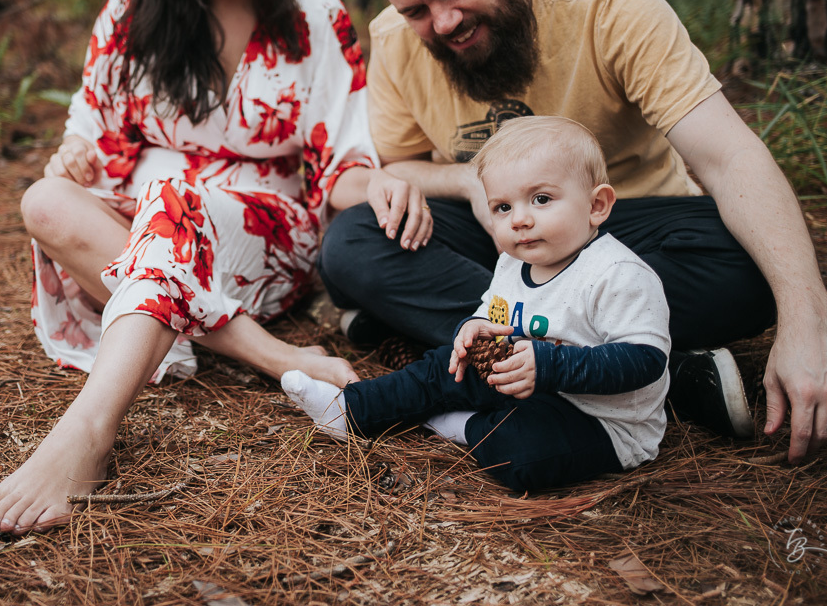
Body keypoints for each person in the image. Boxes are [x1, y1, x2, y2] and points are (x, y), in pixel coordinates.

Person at [0, 0, 428, 535]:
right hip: (151, 219)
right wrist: (73, 156)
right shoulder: (133, 12)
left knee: (172, 203)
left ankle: (89, 430)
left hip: (266, 231)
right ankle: (273, 356)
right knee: (44, 201)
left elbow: (343, 159)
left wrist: (380, 185)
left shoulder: (315, 16)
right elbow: (89, 127)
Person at [318, 0, 827, 464]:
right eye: (416, 10)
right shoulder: (395, 39)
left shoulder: (607, 2)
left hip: (620, 235)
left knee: (748, 260)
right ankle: (653, 371)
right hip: (501, 235)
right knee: (353, 240)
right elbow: (402, 165)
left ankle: (472, 342)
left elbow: (730, 158)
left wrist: (809, 317)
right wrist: (466, 182)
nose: (443, 22)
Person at [284, 116, 671, 491]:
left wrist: (551, 366)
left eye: (541, 199)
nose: (519, 220)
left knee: (523, 455)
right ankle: (350, 409)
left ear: (596, 205)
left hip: (599, 419)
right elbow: (491, 312)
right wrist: (472, 327)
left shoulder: (616, 274)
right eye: (503, 207)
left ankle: (462, 425)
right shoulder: (513, 263)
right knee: (441, 367)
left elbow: (645, 360)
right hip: (518, 381)